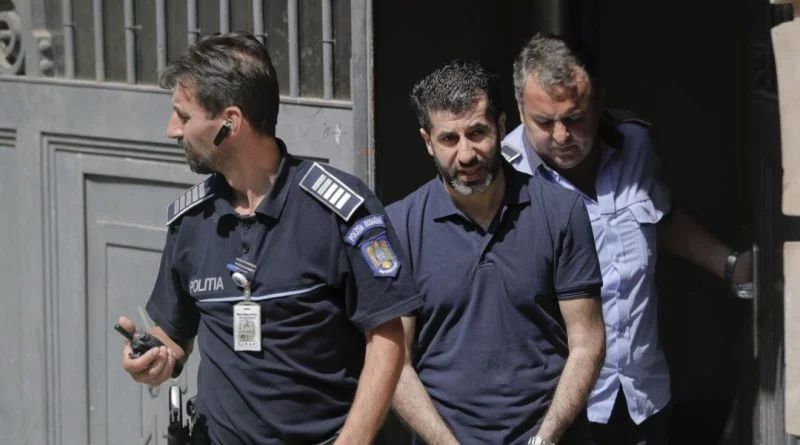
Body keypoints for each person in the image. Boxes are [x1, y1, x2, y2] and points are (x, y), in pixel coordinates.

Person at [117, 31, 422, 445]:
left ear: (230, 122)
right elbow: (174, 333)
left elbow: (387, 338)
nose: (172, 130)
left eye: (184, 117)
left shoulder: (340, 211)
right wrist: (155, 356)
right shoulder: (192, 220)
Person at [501, 34, 753, 445]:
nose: (561, 136)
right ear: (519, 110)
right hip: (554, 411)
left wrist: (732, 266)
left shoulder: (634, 144)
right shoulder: (503, 178)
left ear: (599, 102)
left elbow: (660, 220)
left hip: (641, 394)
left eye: (575, 118)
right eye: (544, 122)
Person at [387, 60, 606, 445]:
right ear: (427, 141)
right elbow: (393, 362)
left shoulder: (561, 213)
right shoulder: (399, 227)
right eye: (449, 139)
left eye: (477, 133)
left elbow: (587, 341)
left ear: (502, 127)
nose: (466, 154)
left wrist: (546, 437)